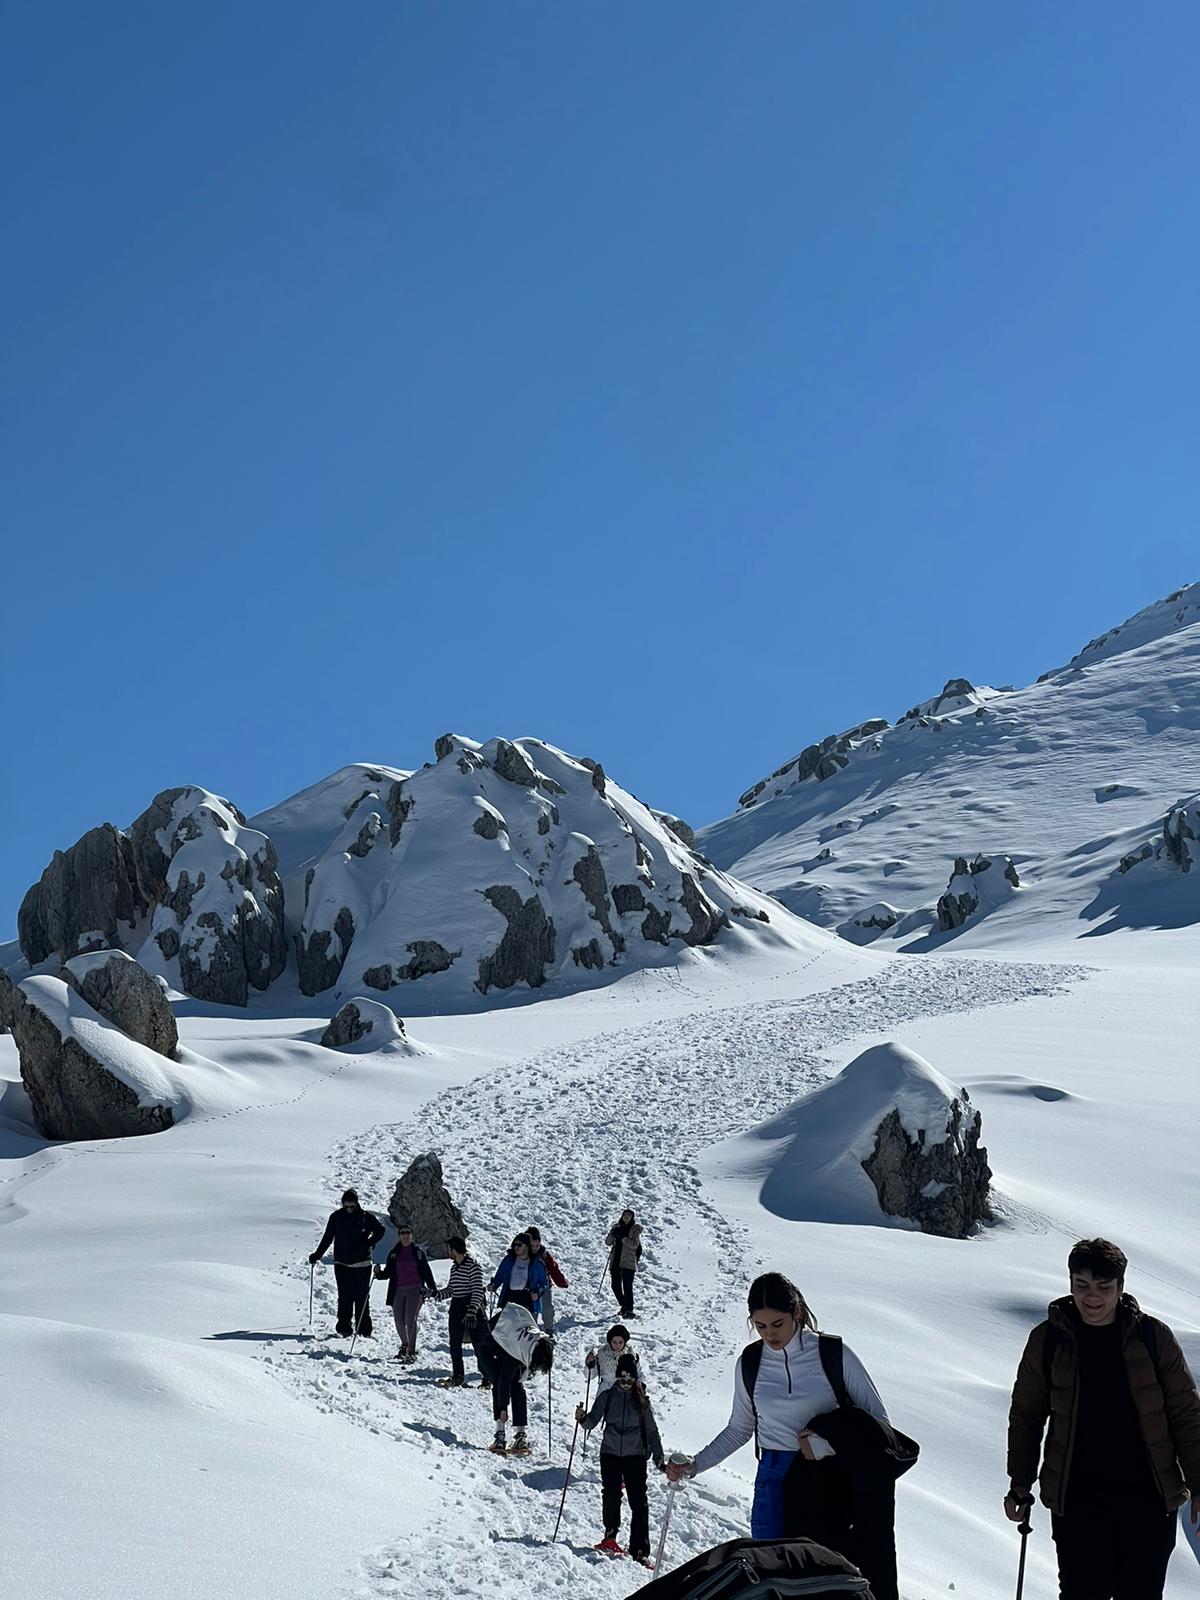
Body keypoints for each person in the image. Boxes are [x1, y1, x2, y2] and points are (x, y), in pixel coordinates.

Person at [666, 1272, 896, 1598]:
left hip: (827, 1480)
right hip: (772, 1479)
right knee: (770, 1577)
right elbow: (739, 1428)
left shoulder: (833, 1354)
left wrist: (824, 1444)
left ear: (796, 1313)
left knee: (824, 1576)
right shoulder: (750, 1362)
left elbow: (878, 1421)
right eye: (760, 1326)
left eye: (777, 1323)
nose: (770, 1334)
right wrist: (694, 1465)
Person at [1006, 1237, 1200, 1600]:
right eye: (1081, 1286)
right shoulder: (1048, 1340)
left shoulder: (1152, 1337)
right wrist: (1020, 1482)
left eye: (1103, 1287)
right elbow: (1027, 1415)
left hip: (1148, 1501)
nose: (1091, 1297)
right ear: (1070, 1285)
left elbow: (1186, 1413)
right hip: (1078, 1500)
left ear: (1121, 1288)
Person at [577, 1351, 665, 1564]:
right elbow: (592, 1422)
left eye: (629, 1379)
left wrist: (659, 1457)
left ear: (635, 1378)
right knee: (611, 1494)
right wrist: (582, 1418)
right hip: (610, 1452)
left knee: (639, 1502)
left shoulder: (642, 1400)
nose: (625, 1383)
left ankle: (639, 1549)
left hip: (635, 1455)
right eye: (622, 1378)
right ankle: (610, 1535)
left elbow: (652, 1431)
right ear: (617, 1377)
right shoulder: (607, 1396)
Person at [474, 1300, 555, 1456]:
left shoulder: (537, 1342)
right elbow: (505, 1380)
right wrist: (503, 1408)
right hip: (487, 1348)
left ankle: (520, 1434)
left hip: (507, 1342)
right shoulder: (518, 1351)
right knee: (499, 1382)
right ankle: (500, 1433)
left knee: (517, 1387)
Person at [308, 1188, 386, 1338]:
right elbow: (328, 1238)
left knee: (362, 1297)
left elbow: (380, 1230)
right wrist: (317, 1255)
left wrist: (369, 1242)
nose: (349, 1209)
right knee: (344, 1296)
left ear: (357, 1203)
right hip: (342, 1264)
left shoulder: (365, 1217)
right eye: (346, 1205)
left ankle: (363, 1330)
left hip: (363, 1264)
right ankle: (344, 1328)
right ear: (343, 1204)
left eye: (352, 1206)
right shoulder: (336, 1217)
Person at [375, 1223, 436, 1363]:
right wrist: (379, 1274)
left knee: (410, 1320)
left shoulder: (418, 1252)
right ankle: (405, 1345)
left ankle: (411, 1351)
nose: (406, 1235)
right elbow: (389, 1272)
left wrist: (432, 1289)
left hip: (415, 1289)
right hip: (398, 1289)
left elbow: (426, 1271)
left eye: (408, 1232)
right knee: (398, 1320)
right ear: (399, 1235)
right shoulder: (394, 1252)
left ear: (412, 1235)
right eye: (403, 1233)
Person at [434, 1235, 486, 1388]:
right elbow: (452, 1290)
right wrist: (435, 1294)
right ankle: (458, 1375)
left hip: (471, 1307)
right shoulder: (454, 1267)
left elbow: (477, 1291)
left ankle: (487, 1376)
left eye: (449, 1249)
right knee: (454, 1343)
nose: (448, 1252)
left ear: (455, 1250)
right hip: (456, 1307)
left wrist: (472, 1311)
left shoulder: (474, 1266)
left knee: (479, 1344)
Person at [490, 1233, 549, 1318]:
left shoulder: (537, 1264)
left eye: (519, 1245)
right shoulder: (508, 1260)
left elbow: (544, 1283)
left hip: (527, 1300)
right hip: (509, 1298)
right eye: (514, 1245)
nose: (516, 1247)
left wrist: (538, 1293)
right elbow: (500, 1276)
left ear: (527, 1246)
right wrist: (493, 1285)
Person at [526, 1226, 568, 1335]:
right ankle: (532, 1330)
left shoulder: (544, 1254)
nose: (535, 1248)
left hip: (545, 1286)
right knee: (531, 1310)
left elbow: (553, 1269)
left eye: (537, 1245)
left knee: (547, 1308)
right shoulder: (523, 1255)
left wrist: (561, 1282)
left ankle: (549, 1328)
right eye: (532, 1245)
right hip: (529, 1288)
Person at [604, 1209, 642, 1319]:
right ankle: (624, 1306)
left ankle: (629, 1309)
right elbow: (608, 1242)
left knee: (627, 1287)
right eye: (624, 1215)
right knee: (615, 1286)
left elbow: (634, 1245)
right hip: (616, 1261)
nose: (626, 1217)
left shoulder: (635, 1229)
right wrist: (612, 1233)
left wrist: (623, 1238)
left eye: (628, 1215)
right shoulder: (617, 1227)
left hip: (628, 1262)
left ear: (632, 1217)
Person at [585, 1324, 639, 1394]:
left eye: (620, 1342)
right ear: (610, 1341)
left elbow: (640, 1375)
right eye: (614, 1342)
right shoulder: (602, 1355)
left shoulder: (631, 1356)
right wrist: (590, 1364)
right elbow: (590, 1375)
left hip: (625, 1390)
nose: (617, 1345)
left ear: (624, 1342)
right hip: (606, 1390)